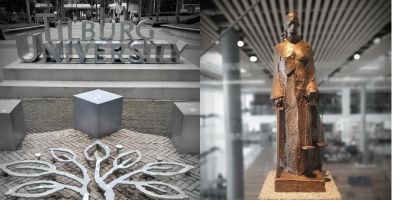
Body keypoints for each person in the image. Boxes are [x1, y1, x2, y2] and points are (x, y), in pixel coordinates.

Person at [271, 12, 326, 176]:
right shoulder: (279, 48)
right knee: (291, 130)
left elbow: (312, 73)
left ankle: (307, 165)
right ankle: (292, 166)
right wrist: (278, 94)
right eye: (290, 25)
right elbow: (276, 73)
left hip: (304, 94)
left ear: (299, 27)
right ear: (286, 27)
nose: (293, 28)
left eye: (296, 25)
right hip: (288, 94)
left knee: (306, 128)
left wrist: (312, 88)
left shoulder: (307, 48)